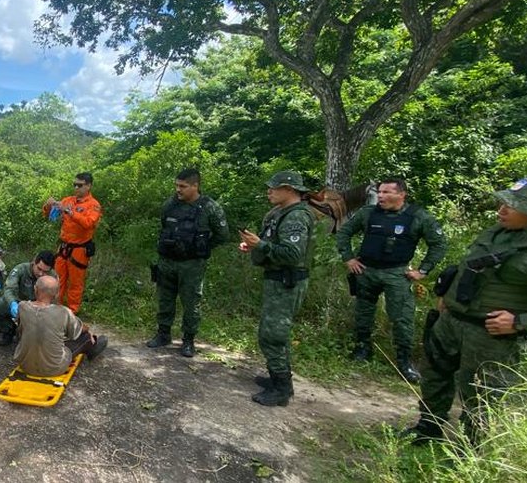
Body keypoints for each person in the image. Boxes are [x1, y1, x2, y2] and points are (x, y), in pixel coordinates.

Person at [404, 178, 527, 444]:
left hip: (491, 336)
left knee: (481, 393)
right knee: (434, 374)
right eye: (503, 203)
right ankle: (428, 429)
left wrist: (521, 322)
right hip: (452, 321)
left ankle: (470, 449)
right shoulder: (497, 233)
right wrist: (447, 295)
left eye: (511, 206)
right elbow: (471, 266)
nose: (501, 209)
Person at [335, 178, 447, 382]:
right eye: (380, 192)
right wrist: (348, 258)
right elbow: (344, 232)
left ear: (402, 194)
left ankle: (404, 360)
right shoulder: (368, 213)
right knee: (363, 313)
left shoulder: (417, 217)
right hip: (366, 271)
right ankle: (362, 349)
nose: (381, 196)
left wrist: (423, 270)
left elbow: (438, 244)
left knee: (402, 319)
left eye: (387, 192)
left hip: (397, 274)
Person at [239, 171, 317, 407]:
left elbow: (292, 254)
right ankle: (278, 378)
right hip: (277, 280)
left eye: (274, 188)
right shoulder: (280, 213)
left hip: (287, 281)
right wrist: (254, 246)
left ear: (290, 190)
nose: (269, 191)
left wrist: (260, 244)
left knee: (272, 336)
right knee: (274, 332)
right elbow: (274, 245)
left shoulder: (296, 217)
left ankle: (282, 389)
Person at [147, 168, 229, 357]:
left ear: (195, 186)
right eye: (176, 185)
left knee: (191, 303)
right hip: (167, 261)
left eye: (182, 186)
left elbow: (223, 235)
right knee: (164, 299)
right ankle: (163, 334)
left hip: (192, 264)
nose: (178, 189)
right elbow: (164, 225)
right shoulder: (170, 204)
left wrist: (201, 248)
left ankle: (188, 340)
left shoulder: (209, 207)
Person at [13, 275, 108, 377]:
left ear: (35, 289)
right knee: (84, 336)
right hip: (53, 369)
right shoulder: (63, 312)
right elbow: (80, 330)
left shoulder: (22, 306)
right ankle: (92, 348)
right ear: (57, 294)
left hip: (24, 365)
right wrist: (87, 331)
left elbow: (21, 329)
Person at [42, 172, 102, 313]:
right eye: (74, 184)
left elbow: (89, 223)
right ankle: (53, 308)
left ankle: (71, 312)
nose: (76, 188)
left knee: (75, 283)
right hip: (63, 247)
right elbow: (48, 216)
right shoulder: (68, 200)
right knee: (57, 280)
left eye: (79, 185)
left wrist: (70, 212)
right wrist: (48, 205)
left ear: (88, 186)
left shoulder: (94, 205)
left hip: (79, 249)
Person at [0, 250, 57, 345]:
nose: (41, 274)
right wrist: (12, 303)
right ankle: (9, 329)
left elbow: (54, 298)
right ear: (34, 262)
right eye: (39, 269)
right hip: (17, 301)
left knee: (30, 343)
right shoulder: (20, 269)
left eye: (45, 271)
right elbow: (9, 289)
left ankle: (28, 333)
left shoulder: (52, 276)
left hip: (36, 307)